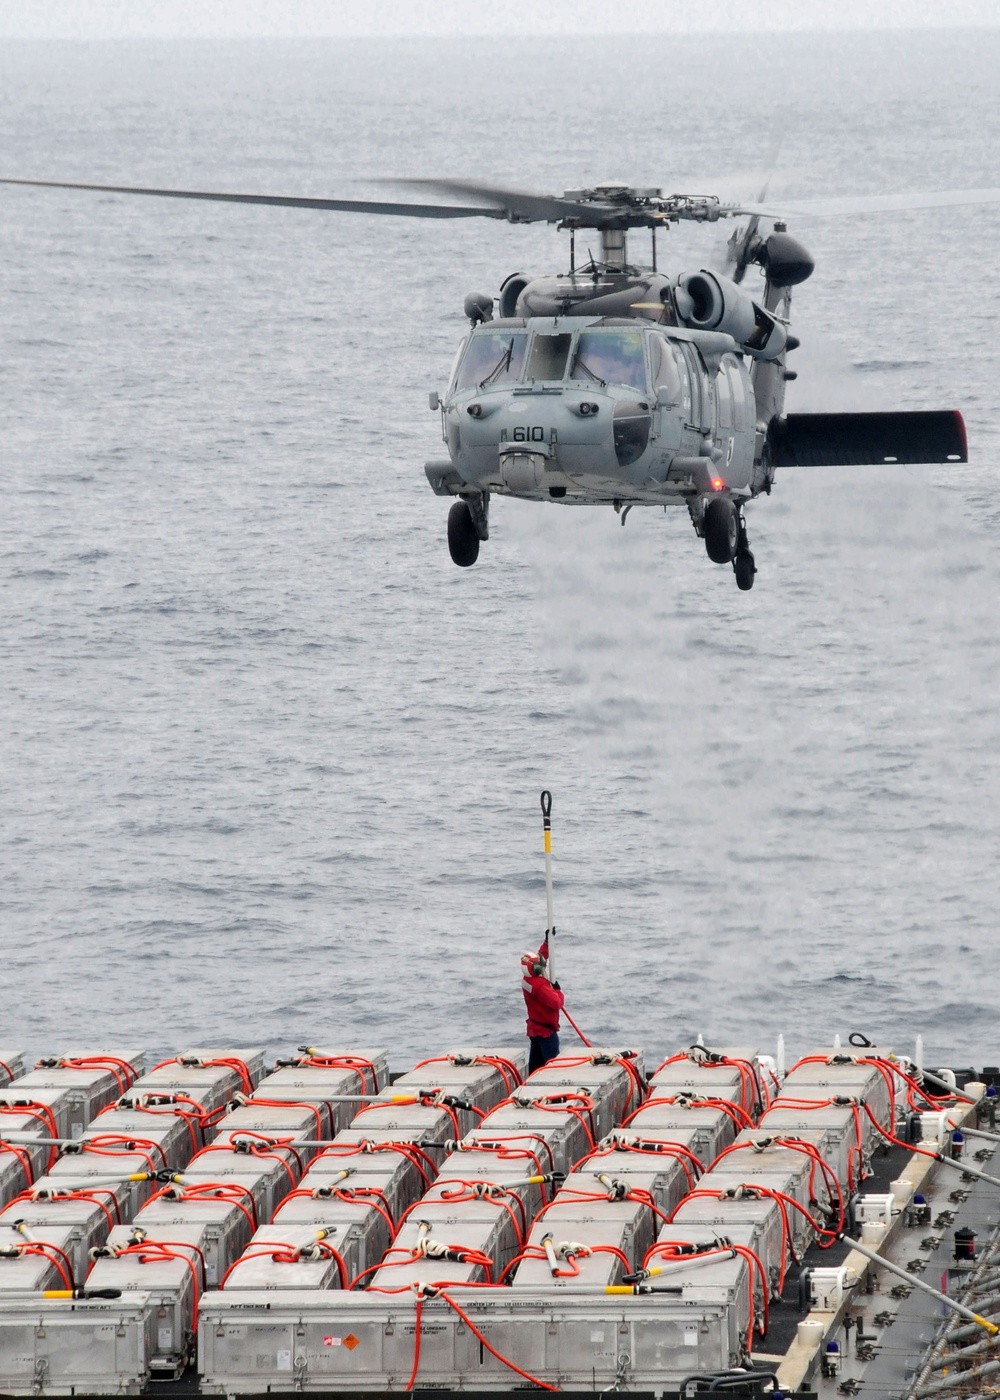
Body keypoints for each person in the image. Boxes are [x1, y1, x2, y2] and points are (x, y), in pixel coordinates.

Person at [521, 939, 565, 1074]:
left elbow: (540, 959)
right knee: (551, 1070)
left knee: (535, 1068)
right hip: (546, 1034)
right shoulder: (540, 986)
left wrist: (547, 942)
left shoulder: (527, 980)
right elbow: (556, 1003)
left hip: (535, 1030)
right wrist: (558, 991)